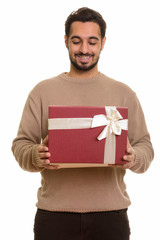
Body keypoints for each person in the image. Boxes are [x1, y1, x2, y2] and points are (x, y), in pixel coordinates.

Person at [12, 7, 154, 240]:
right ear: (66, 41)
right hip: (54, 216)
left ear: (103, 43)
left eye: (92, 41)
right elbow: (20, 145)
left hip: (111, 216)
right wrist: (37, 155)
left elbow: (145, 147)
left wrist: (134, 157)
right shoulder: (41, 92)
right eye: (77, 41)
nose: (84, 49)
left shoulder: (124, 93)